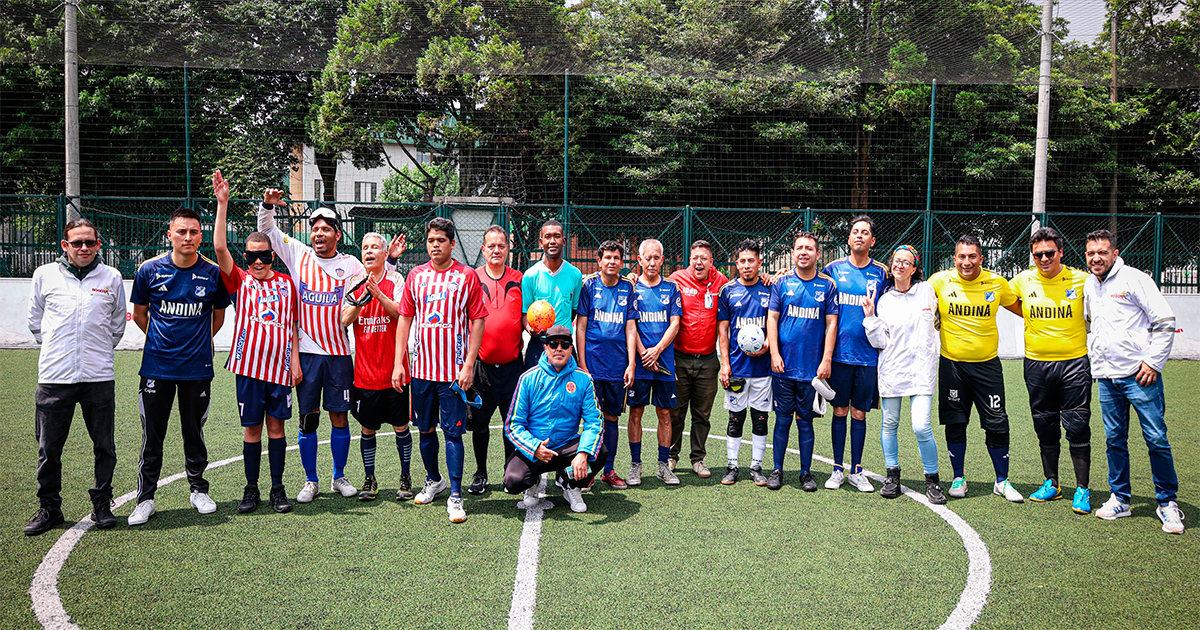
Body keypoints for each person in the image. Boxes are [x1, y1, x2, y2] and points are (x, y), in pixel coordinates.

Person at [258, 191, 397, 503]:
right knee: (308, 418)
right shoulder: (298, 253)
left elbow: (374, 278)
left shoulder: (351, 265)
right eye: (315, 229)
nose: (318, 234)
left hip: (338, 355)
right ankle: (311, 481)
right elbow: (267, 229)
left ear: (337, 234)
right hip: (307, 354)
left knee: (339, 417)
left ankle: (338, 476)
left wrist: (392, 258)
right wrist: (267, 205)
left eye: (325, 229)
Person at [128, 207, 230, 525]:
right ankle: (145, 499)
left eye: (194, 232)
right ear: (169, 234)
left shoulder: (212, 273)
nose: (188, 237)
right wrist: (163, 341)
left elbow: (218, 317)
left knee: (193, 432)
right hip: (157, 367)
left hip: (197, 368)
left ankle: (198, 490)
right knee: (152, 436)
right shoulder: (149, 270)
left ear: (201, 236)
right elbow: (141, 315)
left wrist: (196, 341)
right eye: (181, 231)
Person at [24, 218, 127, 536]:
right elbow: (35, 322)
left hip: (98, 377)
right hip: (54, 377)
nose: (84, 248)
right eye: (77, 243)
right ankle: (50, 508)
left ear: (98, 245)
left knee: (104, 446)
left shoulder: (111, 277)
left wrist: (95, 354)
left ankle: (102, 504)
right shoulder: (44, 275)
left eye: (90, 242)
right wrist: (60, 352)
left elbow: (117, 326)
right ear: (64, 245)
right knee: (49, 448)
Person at [1084, 229, 1184, 534]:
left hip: (1139, 377)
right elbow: (1090, 323)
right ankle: (1121, 499)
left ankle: (1167, 503)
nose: (1096, 258)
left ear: (1115, 253)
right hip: (1106, 377)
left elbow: (1164, 321)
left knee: (1156, 438)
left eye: (1102, 252)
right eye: (1090, 253)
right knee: (1115, 440)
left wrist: (1153, 362)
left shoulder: (1135, 278)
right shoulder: (1090, 284)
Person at [214, 172, 300, 515]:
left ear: (273, 256)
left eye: (264, 256)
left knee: (277, 429)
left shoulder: (287, 285)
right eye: (251, 257)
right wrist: (223, 204)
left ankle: (277, 488)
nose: (258, 262)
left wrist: (294, 361)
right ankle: (251, 490)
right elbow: (219, 247)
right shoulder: (240, 281)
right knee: (252, 431)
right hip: (248, 369)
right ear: (245, 258)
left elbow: (292, 327)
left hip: (280, 371)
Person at [392, 217, 487, 523]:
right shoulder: (416, 276)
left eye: (441, 241)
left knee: (453, 433)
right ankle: (434, 480)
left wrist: (469, 363)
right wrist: (399, 363)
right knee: (425, 429)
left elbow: (478, 320)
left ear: (451, 243)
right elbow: (404, 319)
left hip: (453, 374)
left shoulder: (467, 276)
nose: (435, 245)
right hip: (421, 372)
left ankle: (456, 495)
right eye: (431, 240)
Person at [927, 235, 1024, 503]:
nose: (966, 262)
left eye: (972, 257)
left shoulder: (997, 283)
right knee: (955, 421)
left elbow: (1022, 309)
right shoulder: (939, 281)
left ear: (981, 258)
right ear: (954, 258)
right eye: (961, 256)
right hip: (952, 365)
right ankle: (958, 477)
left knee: (997, 422)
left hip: (987, 366)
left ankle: (1002, 481)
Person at [1009, 227, 1093, 514]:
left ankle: (1082, 488)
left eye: (1049, 253)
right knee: (1045, 425)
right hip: (1036, 364)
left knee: (1078, 425)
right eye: (1038, 254)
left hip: (1074, 363)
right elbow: (1008, 301)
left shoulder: (1082, 280)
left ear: (1061, 253)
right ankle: (1052, 483)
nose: (1044, 258)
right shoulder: (1022, 280)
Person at [862, 245, 945, 504]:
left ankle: (932, 479)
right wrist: (870, 317)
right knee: (889, 424)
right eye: (896, 261)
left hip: (921, 371)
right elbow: (879, 341)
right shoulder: (884, 300)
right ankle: (892, 476)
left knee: (921, 425)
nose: (899, 265)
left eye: (906, 262)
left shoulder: (927, 291)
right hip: (892, 371)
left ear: (915, 268)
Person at [341, 232, 415, 502]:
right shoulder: (354, 282)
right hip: (365, 375)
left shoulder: (396, 280)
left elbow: (400, 312)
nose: (369, 251)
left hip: (395, 372)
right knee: (367, 429)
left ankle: (405, 477)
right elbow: (344, 320)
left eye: (374, 247)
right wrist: (362, 301)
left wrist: (379, 295)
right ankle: (369, 479)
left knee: (401, 427)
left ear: (386, 254)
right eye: (365, 247)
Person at [503, 326, 606, 513]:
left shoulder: (583, 380)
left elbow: (594, 421)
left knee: (599, 452)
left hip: (567, 446)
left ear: (571, 349)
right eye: (553, 344)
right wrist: (534, 447)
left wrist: (582, 453)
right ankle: (531, 482)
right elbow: (513, 424)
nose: (559, 348)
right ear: (546, 348)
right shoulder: (527, 378)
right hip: (536, 448)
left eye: (564, 344)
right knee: (513, 481)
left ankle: (570, 484)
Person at [821, 215, 889, 493]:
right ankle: (837, 469)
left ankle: (857, 470)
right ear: (848, 239)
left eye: (865, 233)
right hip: (838, 356)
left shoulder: (882, 273)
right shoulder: (833, 269)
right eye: (854, 232)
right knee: (839, 410)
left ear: (872, 241)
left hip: (869, 357)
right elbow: (807, 277)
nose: (859, 236)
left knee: (860, 414)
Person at [766, 231, 839, 492]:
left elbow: (832, 325)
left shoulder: (828, 285)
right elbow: (772, 319)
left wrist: (826, 359)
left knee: (805, 421)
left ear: (818, 254)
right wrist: (774, 353)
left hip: (812, 370)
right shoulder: (782, 283)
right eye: (799, 248)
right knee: (782, 419)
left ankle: (806, 473)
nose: (804, 252)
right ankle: (777, 469)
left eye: (809, 248)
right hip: (784, 367)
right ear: (793, 252)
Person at [576, 240, 639, 489]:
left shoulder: (628, 288)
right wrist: (582, 363)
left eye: (616, 258)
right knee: (591, 419)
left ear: (622, 263)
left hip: (617, 368)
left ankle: (609, 470)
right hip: (592, 367)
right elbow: (580, 326)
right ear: (599, 261)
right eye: (607, 257)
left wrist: (631, 363)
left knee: (612, 418)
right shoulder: (589, 286)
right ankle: (588, 471)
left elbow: (631, 328)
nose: (612, 262)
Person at [466, 225, 524, 494]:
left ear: (508, 250)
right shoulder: (472, 279)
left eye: (502, 245)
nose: (497, 250)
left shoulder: (520, 279)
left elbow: (526, 317)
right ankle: (480, 472)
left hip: (513, 367)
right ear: (483, 250)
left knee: (511, 425)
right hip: (481, 368)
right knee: (480, 424)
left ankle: (508, 471)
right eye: (492, 246)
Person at [667, 240, 730, 478]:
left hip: (707, 360)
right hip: (679, 359)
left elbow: (745, 282)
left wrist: (769, 277)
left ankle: (698, 459)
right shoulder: (676, 279)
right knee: (676, 412)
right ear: (689, 260)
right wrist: (631, 278)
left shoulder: (721, 282)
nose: (699, 262)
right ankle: (671, 457)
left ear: (711, 262)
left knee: (702, 415)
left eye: (704, 258)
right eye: (695, 258)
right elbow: (650, 281)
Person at [716, 239, 773, 486]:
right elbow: (723, 331)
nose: (747, 265)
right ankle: (732, 466)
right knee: (735, 418)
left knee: (760, 418)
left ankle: (756, 467)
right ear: (736, 264)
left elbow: (776, 323)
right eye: (742, 261)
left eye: (752, 261)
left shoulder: (771, 289)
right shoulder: (728, 291)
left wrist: (769, 343)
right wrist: (725, 364)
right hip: (737, 368)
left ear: (759, 263)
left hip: (763, 369)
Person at [628, 239, 682, 486]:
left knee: (665, 414)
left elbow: (675, 324)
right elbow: (631, 325)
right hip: (639, 364)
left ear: (662, 260)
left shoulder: (671, 289)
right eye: (647, 258)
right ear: (639, 260)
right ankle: (635, 466)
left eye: (656, 258)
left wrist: (657, 351)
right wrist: (642, 353)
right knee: (636, 412)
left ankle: (663, 465)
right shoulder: (630, 287)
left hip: (664, 364)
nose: (652, 262)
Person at [522, 220, 582, 369]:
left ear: (564, 240)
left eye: (556, 236)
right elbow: (524, 313)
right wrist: (532, 331)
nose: (552, 241)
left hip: (565, 344)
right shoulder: (530, 276)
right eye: (547, 237)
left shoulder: (575, 274)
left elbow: (573, 311)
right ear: (541, 241)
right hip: (539, 344)